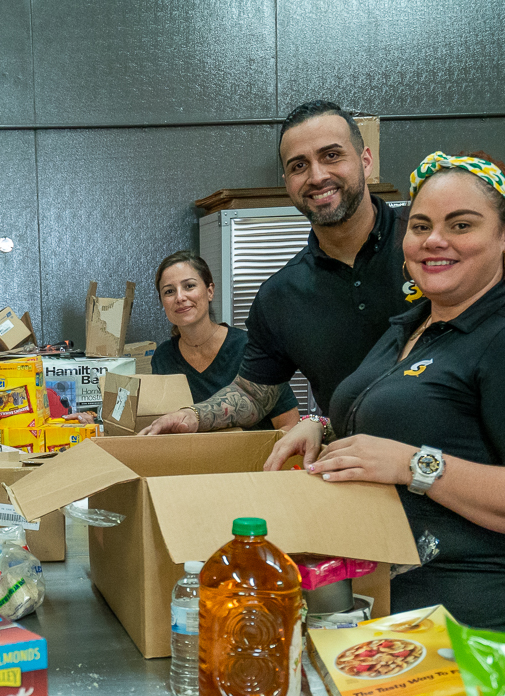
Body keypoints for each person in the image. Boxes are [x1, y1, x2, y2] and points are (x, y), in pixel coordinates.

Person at [270, 153, 505, 632]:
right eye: (420, 226)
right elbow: (411, 418)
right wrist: (322, 427)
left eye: (461, 225)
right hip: (406, 620)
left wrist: (413, 465)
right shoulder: (416, 326)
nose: (435, 241)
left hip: (497, 630)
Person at [143, 100, 415, 442]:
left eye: (332, 156)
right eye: (300, 165)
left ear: (365, 160)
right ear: (288, 181)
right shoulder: (281, 295)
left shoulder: (426, 247)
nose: (317, 176)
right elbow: (255, 393)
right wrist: (192, 417)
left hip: (461, 470)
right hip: (357, 472)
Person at [150, 251, 300, 431]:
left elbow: (289, 424)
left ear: (210, 291)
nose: (180, 297)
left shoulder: (250, 348)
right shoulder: (163, 357)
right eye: (169, 291)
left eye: (189, 286)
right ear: (162, 302)